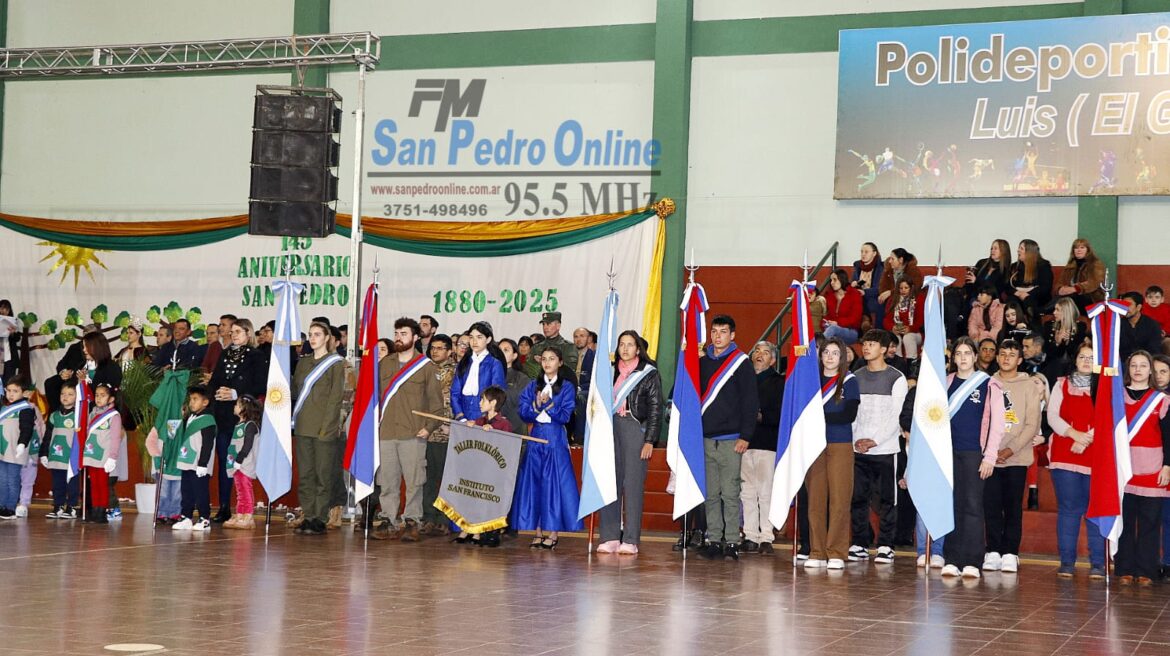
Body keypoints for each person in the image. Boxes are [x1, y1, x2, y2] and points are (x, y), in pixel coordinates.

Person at [372, 318, 444, 542]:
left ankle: (412, 520)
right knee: (387, 481)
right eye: (396, 333)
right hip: (386, 432)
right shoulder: (384, 364)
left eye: (403, 333)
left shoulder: (426, 367)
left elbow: (437, 404)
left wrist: (429, 428)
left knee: (414, 481)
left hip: (413, 433)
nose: (398, 338)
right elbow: (374, 398)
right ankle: (388, 520)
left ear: (414, 337)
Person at [694, 315, 758, 562]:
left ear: (732, 335)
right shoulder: (701, 362)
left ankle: (732, 540)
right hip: (705, 438)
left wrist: (746, 435)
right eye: (714, 331)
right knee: (711, 493)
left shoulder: (741, 363)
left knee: (730, 493)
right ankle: (714, 539)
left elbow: (750, 402)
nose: (717, 336)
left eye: (723, 331)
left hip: (732, 439)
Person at [940, 337, 1005, 579]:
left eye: (968, 353)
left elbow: (998, 424)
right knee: (952, 506)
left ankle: (972, 560)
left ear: (975, 356)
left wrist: (990, 457)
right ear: (953, 357)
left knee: (972, 506)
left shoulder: (989, 385)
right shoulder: (945, 383)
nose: (964, 357)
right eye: (959, 353)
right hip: (948, 453)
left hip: (974, 454)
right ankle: (952, 558)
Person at [597, 330, 663, 556]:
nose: (625, 349)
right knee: (609, 484)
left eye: (630, 345)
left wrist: (650, 440)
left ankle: (631, 539)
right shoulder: (610, 371)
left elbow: (655, 408)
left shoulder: (648, 373)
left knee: (633, 485)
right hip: (610, 429)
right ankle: (610, 536)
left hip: (635, 429)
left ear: (638, 348)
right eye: (621, 344)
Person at [848, 330, 908, 565]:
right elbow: (852, 411)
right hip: (858, 448)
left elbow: (896, 415)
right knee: (857, 498)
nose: (866, 348)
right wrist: (856, 438)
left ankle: (885, 544)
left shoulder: (897, 378)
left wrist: (874, 440)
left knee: (886, 500)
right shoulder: (855, 375)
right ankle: (860, 543)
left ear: (884, 349)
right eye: (865, 344)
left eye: (872, 344)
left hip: (885, 449)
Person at [983, 339, 1043, 573]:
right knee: (991, 505)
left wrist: (1010, 449)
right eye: (1002, 354)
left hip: (1016, 457)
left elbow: (1032, 423)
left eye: (1012, 354)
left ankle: (1010, 552)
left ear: (1020, 360)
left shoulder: (1028, 385)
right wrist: (991, 450)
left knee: (1012, 506)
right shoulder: (987, 382)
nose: (1006, 358)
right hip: (990, 457)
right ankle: (993, 550)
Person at [515, 346, 583, 549]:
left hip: (554, 438)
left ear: (560, 362)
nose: (547, 363)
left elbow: (564, 415)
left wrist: (546, 404)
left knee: (553, 485)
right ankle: (537, 531)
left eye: (552, 358)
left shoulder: (567, 387)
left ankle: (553, 533)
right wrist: (536, 406)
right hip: (536, 437)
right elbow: (524, 412)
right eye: (544, 359)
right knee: (534, 482)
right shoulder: (532, 385)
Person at [1046, 344, 1105, 578]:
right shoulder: (1061, 383)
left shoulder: (1104, 386)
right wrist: (1074, 434)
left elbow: (1109, 418)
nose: (1086, 360)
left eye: (1091, 357)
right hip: (1064, 453)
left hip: (1095, 456)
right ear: (1075, 359)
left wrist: (1086, 439)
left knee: (1095, 511)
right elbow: (1052, 416)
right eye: (1082, 356)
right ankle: (1067, 563)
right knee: (1069, 510)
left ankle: (1098, 564)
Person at [1115, 350, 1170, 586]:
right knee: (1125, 521)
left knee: (1149, 522)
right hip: (1124, 469)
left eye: (1143, 365)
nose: (1138, 369)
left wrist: (1168, 465)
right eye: (1134, 365)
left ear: (1150, 371)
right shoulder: (1116, 397)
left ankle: (1146, 570)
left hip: (1153, 468)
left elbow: (1168, 436)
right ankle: (1125, 568)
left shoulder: (1162, 399)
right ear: (1128, 370)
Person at [805, 338, 859, 570]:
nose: (829, 357)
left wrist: (816, 419)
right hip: (814, 445)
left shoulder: (850, 381)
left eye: (835, 353)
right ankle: (817, 551)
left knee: (839, 498)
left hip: (840, 444)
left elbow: (848, 415)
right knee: (815, 500)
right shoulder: (810, 381)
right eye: (826, 352)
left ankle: (836, 551)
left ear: (843, 357)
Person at [290, 321, 346, 536]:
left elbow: (335, 399)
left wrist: (328, 427)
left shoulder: (335, 364)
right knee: (306, 474)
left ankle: (320, 518)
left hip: (324, 428)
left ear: (327, 338)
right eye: (310, 335)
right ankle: (308, 514)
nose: (312, 339)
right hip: (303, 425)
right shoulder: (303, 363)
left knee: (323, 475)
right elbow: (296, 390)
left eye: (317, 335)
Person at [206, 319, 264, 523]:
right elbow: (215, 381)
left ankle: (244, 508)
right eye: (232, 332)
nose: (234, 335)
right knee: (225, 460)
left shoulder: (256, 356)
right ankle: (224, 506)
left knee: (243, 461)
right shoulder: (225, 353)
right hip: (223, 414)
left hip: (243, 415)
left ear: (248, 332)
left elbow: (260, 385)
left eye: (238, 331)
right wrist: (212, 395)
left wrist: (236, 393)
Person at [737, 341, 783, 556]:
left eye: (766, 353)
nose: (760, 355)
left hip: (767, 443)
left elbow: (781, 413)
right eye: (756, 351)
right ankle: (749, 536)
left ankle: (766, 536)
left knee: (766, 492)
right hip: (743, 443)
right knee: (747, 492)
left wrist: (761, 416)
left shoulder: (778, 382)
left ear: (773, 360)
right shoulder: (743, 379)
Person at [420, 333, 456, 537]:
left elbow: (454, 401)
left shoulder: (457, 372)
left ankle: (444, 519)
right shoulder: (424, 369)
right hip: (426, 431)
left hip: (446, 433)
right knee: (427, 477)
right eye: (433, 347)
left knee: (445, 478)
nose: (435, 351)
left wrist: (446, 423)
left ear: (449, 351)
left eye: (440, 348)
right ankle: (428, 517)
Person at [171, 386, 216, 531]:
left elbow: (207, 444)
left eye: (195, 399)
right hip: (187, 461)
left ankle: (204, 518)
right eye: (191, 399)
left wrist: (203, 463)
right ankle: (186, 517)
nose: (191, 402)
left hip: (198, 463)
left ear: (205, 402)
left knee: (200, 491)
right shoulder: (190, 418)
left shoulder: (208, 419)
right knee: (186, 491)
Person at [80, 383, 122, 524]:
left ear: (111, 399)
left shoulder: (114, 416)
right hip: (92, 453)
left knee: (102, 484)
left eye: (103, 395)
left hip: (104, 455)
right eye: (97, 395)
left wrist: (112, 457)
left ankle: (101, 511)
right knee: (94, 483)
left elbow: (116, 438)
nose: (98, 398)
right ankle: (95, 509)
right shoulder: (92, 413)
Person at [450, 322, 507, 424]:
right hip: (462, 419)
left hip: (485, 421)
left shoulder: (494, 364)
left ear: (488, 339)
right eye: (471, 337)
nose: (474, 341)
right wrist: (460, 416)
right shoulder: (464, 362)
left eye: (479, 337)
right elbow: (455, 393)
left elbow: (497, 396)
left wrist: (484, 420)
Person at [0, 377, 38, 519]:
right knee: (2, 480)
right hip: (2, 449)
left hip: (15, 450)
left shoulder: (26, 409)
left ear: (24, 392)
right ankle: (1, 505)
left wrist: (22, 443)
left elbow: (26, 428)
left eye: (15, 391)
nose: (11, 394)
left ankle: (10, 507)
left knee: (12, 480)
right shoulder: (4, 408)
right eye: (8, 391)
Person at [41, 379, 80, 519]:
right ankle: (58, 506)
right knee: (57, 482)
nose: (65, 397)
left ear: (77, 396)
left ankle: (72, 507)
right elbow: (47, 436)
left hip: (71, 457)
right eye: (63, 393)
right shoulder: (54, 415)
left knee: (72, 483)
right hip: (56, 456)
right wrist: (44, 453)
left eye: (70, 394)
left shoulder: (79, 416)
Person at [223, 395, 260, 530]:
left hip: (245, 463)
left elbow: (247, 445)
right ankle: (240, 514)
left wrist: (239, 459)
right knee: (239, 490)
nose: (234, 407)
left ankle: (248, 515)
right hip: (236, 464)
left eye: (237, 404)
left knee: (245, 488)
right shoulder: (239, 424)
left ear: (244, 408)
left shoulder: (250, 425)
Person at [1008, 239, 1054, 321]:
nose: (1018, 250)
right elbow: (1008, 285)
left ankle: (1034, 326)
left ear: (1029, 252)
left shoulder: (1043, 266)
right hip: (1018, 297)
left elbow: (1045, 288)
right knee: (1012, 300)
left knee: (1029, 300)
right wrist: (1018, 293)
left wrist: (1027, 294)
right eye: (1019, 248)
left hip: (1038, 298)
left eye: (1021, 248)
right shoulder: (1014, 267)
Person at [1055, 238, 1105, 313]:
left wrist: (1075, 288)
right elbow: (1060, 282)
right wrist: (1060, 289)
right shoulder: (1070, 265)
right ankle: (1043, 311)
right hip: (1071, 296)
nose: (1079, 250)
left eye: (1082, 247)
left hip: (1090, 297)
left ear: (1088, 250)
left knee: (1070, 298)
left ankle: (1043, 311)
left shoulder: (1096, 264)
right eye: (1076, 248)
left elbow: (1094, 282)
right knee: (1063, 298)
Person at [1043, 298, 1087, 381]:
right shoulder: (1048, 326)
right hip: (1053, 365)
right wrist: (1057, 342)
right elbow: (1048, 352)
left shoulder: (1080, 327)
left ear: (1066, 312)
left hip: (1072, 365)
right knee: (1056, 366)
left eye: (1057, 310)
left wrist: (1067, 343)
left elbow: (1076, 352)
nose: (1054, 313)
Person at [523, 312, 577, 379]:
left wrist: (543, 362)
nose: (545, 327)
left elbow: (570, 371)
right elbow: (527, 369)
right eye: (543, 324)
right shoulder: (536, 347)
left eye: (548, 324)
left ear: (558, 326)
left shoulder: (568, 347)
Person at [883, 279, 924, 360]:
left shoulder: (919, 299)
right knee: (895, 338)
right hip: (897, 331)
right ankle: (898, 363)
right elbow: (886, 320)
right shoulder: (892, 300)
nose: (903, 290)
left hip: (915, 332)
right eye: (901, 288)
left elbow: (921, 321)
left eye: (906, 288)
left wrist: (910, 328)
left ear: (911, 288)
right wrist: (892, 328)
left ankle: (911, 364)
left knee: (908, 337)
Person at [824, 268, 864, 345]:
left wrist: (838, 323)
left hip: (851, 331)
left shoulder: (854, 294)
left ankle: (816, 350)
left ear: (842, 279)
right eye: (831, 280)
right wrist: (825, 322)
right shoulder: (829, 295)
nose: (832, 283)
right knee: (829, 329)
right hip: (832, 330)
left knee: (833, 329)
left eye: (835, 280)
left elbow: (856, 318)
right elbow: (826, 315)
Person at [1119, 291, 1163, 361]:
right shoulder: (1117, 324)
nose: (1125, 308)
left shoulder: (1152, 325)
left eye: (1129, 305)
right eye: (1123, 305)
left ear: (1138, 307)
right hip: (1123, 363)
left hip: (1146, 363)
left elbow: (1155, 351)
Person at [496, 338, 527, 436]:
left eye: (506, 350)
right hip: (486, 426)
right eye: (499, 350)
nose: (501, 353)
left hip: (511, 430)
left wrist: (505, 423)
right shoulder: (487, 374)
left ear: (514, 356)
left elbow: (523, 405)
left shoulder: (522, 378)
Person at [851, 242, 885, 329]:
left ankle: (869, 323)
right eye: (861, 252)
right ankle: (862, 325)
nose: (863, 254)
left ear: (874, 253)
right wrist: (853, 283)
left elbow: (879, 289)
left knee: (878, 303)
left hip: (872, 297)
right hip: (857, 296)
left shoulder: (880, 268)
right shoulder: (857, 266)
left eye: (866, 252)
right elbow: (852, 283)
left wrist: (864, 292)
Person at [0, 300, 20, 381]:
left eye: (6, 309)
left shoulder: (12, 322)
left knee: (9, 382)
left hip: (9, 358)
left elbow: (17, 339)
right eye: (1, 308)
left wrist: (12, 333)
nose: (3, 311)